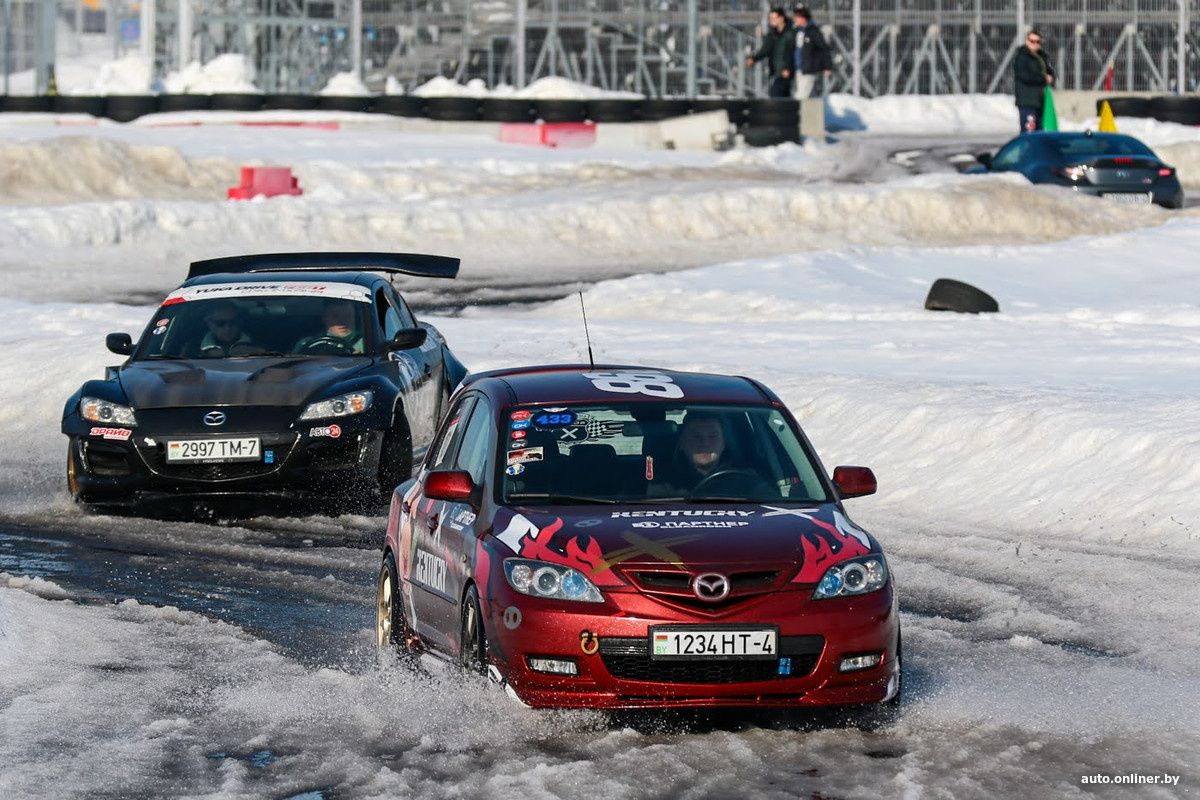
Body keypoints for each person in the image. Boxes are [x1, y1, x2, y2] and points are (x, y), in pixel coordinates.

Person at [746, 8, 795, 99]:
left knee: (777, 94)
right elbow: (765, 49)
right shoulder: (772, 34)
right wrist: (753, 58)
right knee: (782, 97)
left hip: (786, 71)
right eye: (770, 18)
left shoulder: (790, 33)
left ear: (781, 18)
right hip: (776, 71)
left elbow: (792, 53)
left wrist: (788, 68)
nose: (771, 21)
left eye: (774, 18)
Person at [1014, 29, 1055, 133]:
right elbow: (1025, 76)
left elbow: (1049, 70)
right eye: (1032, 41)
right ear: (1027, 41)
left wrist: (1051, 77)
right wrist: (1044, 78)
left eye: (1037, 42)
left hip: (1040, 101)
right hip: (1028, 101)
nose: (1035, 44)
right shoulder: (1022, 57)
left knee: (1038, 132)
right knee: (1029, 131)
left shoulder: (1041, 56)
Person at [294, 300, 365, 354]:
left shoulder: (367, 343)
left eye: (347, 316)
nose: (342, 321)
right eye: (335, 316)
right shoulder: (305, 343)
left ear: (354, 318)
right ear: (324, 318)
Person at [792, 6, 832, 100]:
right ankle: (806, 113)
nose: (795, 19)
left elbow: (824, 48)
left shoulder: (813, 31)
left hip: (809, 69)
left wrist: (828, 66)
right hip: (799, 68)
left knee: (801, 96)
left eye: (797, 17)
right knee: (804, 94)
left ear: (803, 18)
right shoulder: (797, 31)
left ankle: (796, 113)